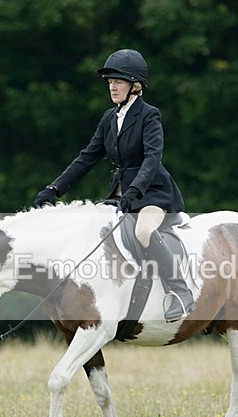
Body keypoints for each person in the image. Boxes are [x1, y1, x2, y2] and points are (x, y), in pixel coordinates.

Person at [33, 49, 195, 322]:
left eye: (118, 81)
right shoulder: (110, 118)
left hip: (152, 193)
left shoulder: (149, 115)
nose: (112, 86)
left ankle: (181, 292)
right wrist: (54, 189)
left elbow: (152, 158)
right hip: (122, 194)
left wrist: (135, 191)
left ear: (135, 85)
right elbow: (87, 157)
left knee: (143, 230)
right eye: (110, 82)